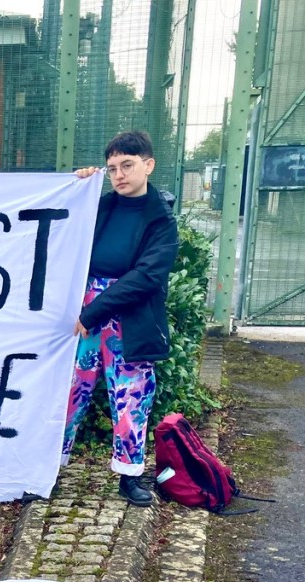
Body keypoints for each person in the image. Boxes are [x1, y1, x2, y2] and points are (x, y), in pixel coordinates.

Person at [62, 130, 178, 506]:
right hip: (84, 312)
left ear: (148, 164)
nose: (118, 175)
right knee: (67, 393)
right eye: (112, 168)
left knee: (131, 398)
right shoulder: (99, 205)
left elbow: (146, 277)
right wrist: (76, 187)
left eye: (127, 165)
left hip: (126, 318)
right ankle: (46, 465)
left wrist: (93, 311)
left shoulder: (161, 220)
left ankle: (129, 476)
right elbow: (61, 227)